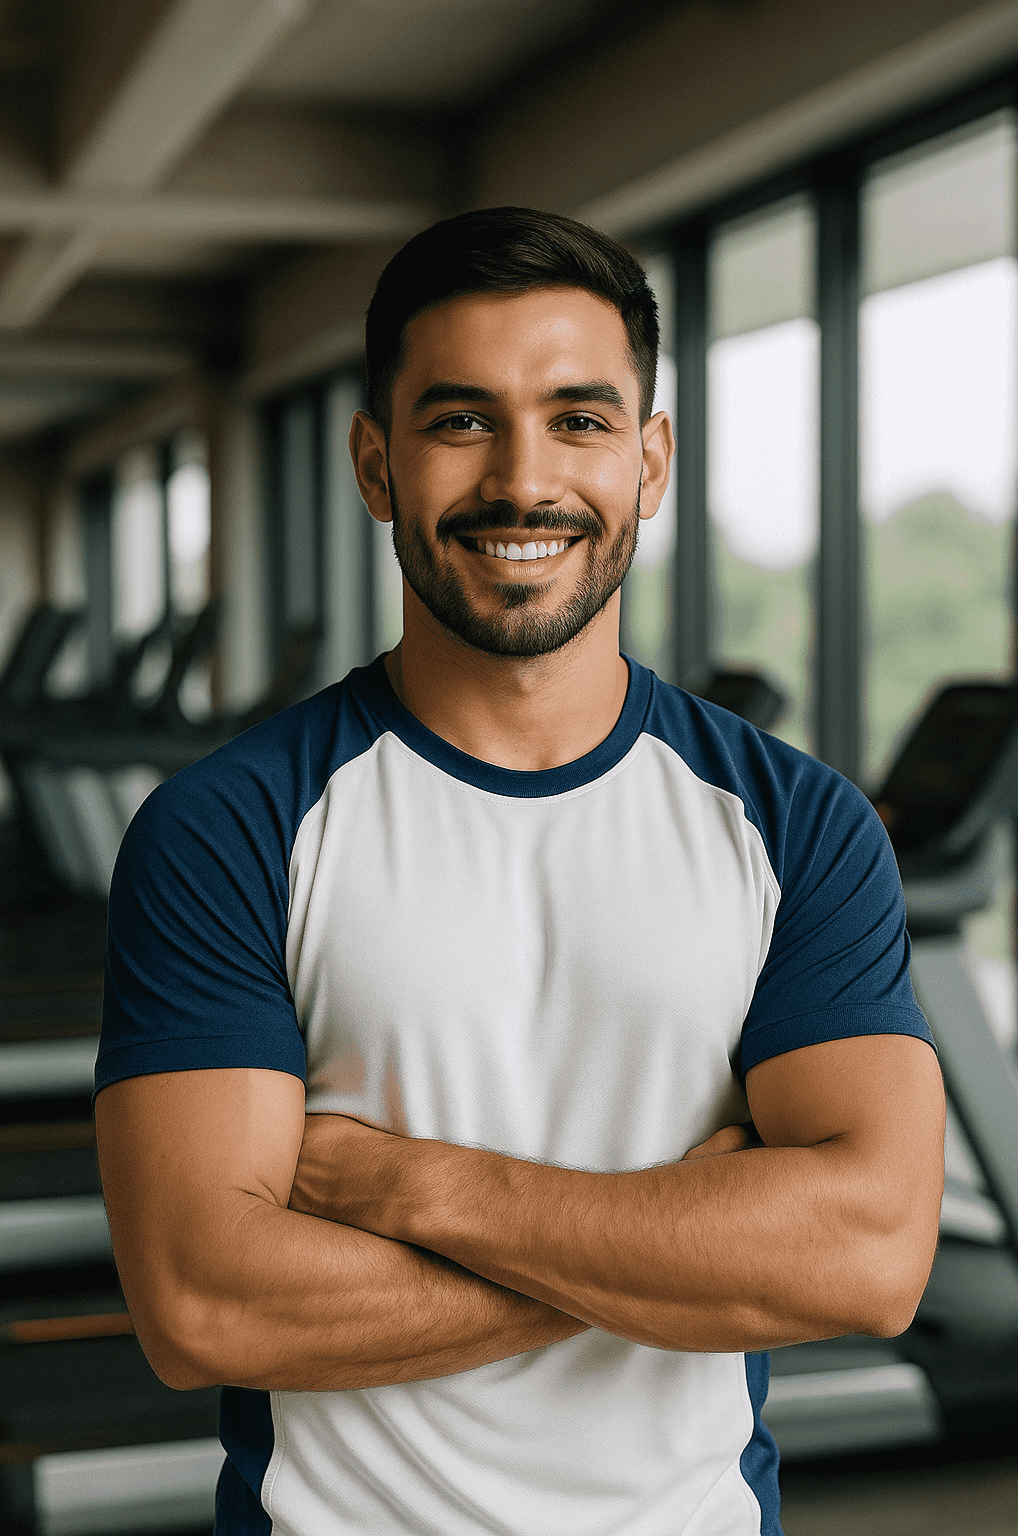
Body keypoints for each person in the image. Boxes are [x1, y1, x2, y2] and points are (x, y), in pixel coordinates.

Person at [95, 206, 945, 1536]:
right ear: (376, 463)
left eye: (580, 418)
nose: (522, 477)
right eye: (460, 420)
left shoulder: (798, 825)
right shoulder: (228, 830)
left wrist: (409, 1186)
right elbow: (207, 1302)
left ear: (650, 460)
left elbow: (873, 1259)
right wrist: (681, 1240)